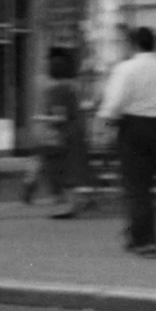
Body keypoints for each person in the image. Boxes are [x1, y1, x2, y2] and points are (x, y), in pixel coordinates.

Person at [97, 25, 156, 254]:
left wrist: (104, 126)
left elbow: (114, 103)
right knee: (147, 185)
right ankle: (137, 233)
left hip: (134, 129)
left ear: (134, 44)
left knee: (136, 186)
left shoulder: (126, 68)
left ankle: (144, 240)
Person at [32, 50, 92, 220]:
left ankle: (68, 206)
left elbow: (60, 116)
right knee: (73, 170)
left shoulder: (56, 90)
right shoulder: (72, 88)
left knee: (60, 169)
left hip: (63, 135)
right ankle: (74, 203)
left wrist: (40, 117)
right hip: (75, 132)